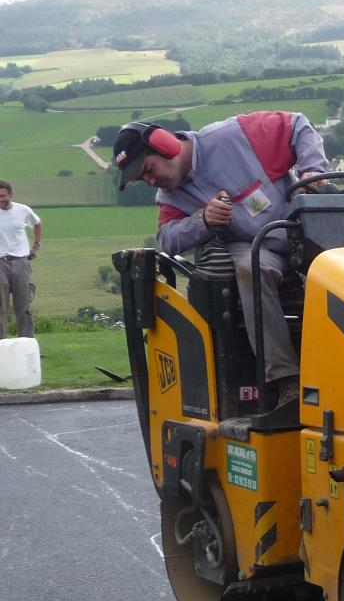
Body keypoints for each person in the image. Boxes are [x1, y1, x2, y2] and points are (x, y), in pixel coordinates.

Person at [115, 112, 330, 411]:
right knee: (249, 268)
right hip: (254, 246)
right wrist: (202, 220)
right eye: (143, 179)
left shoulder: (234, 136)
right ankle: (287, 381)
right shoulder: (171, 197)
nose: (151, 181)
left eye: (149, 169)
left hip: (304, 232)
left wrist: (311, 172)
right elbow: (167, 239)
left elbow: (297, 125)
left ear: (165, 145)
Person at [0, 179, 42, 338]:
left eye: (3, 195)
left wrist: (36, 247)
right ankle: (1, 346)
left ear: (10, 194)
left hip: (20, 262)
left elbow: (37, 224)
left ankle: (26, 345)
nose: (0, 199)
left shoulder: (23, 210)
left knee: (23, 306)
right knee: (0, 308)